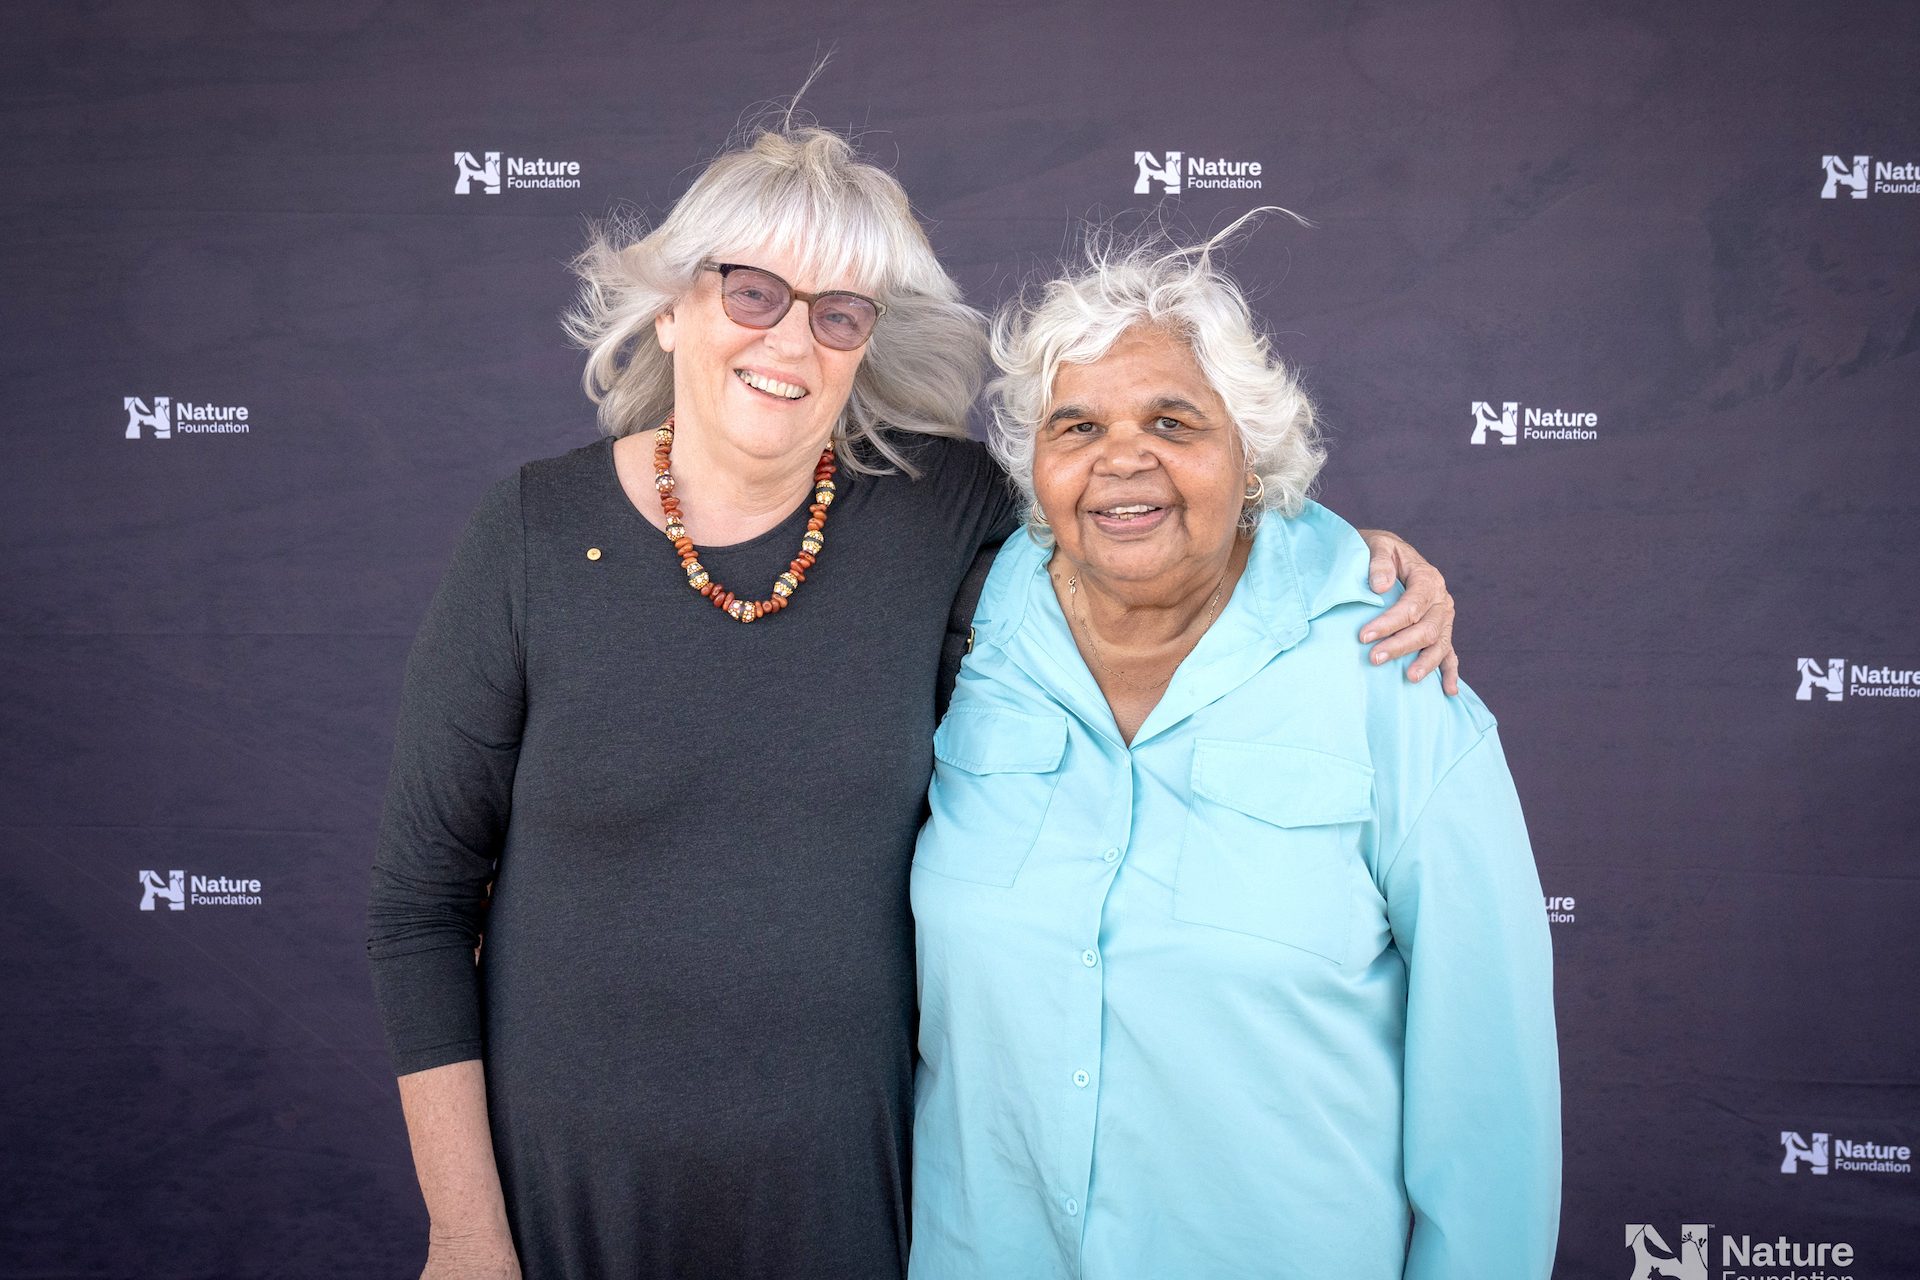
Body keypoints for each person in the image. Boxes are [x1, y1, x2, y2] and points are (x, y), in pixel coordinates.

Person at [366, 122, 1463, 1280]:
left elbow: (1149, 539)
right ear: (671, 307)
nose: (793, 335)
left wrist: (1340, 563)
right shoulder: (533, 535)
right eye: (753, 292)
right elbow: (418, 907)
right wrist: (467, 1233)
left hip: (859, 1210)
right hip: (565, 1209)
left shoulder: (945, 511)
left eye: (839, 310)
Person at [908, 225, 1560, 1279]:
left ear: (1250, 452)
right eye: (1077, 425)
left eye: (1173, 419)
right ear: (1037, 462)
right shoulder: (964, 629)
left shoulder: (1385, 665)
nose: (1124, 457)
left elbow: (1493, 1088)